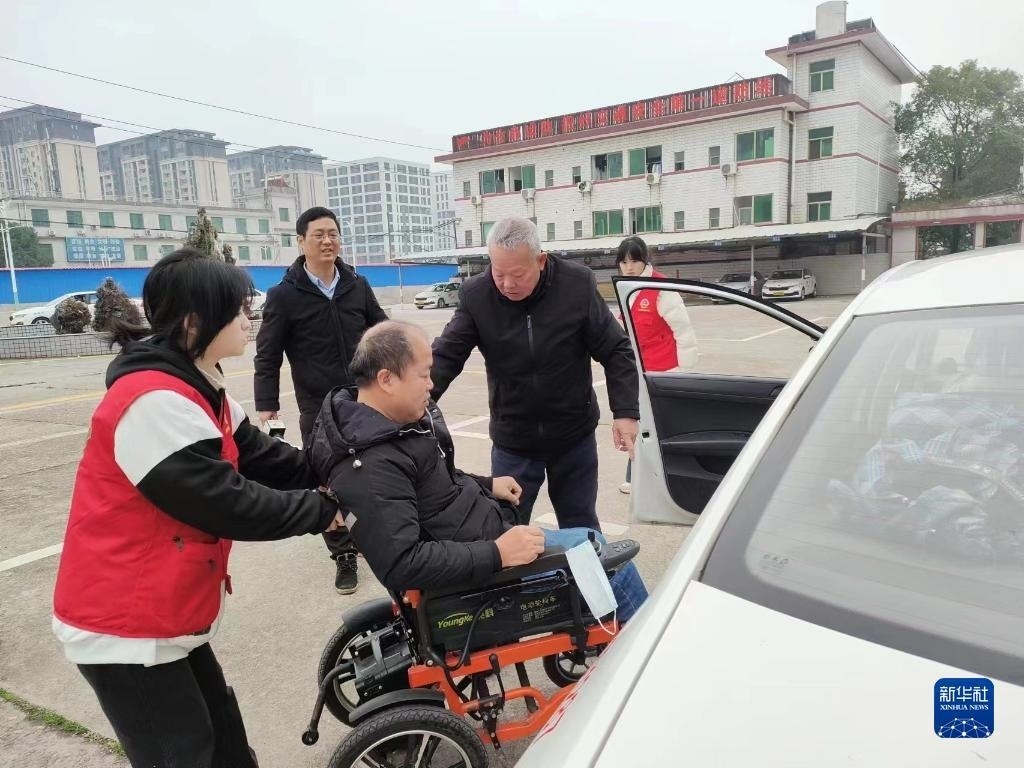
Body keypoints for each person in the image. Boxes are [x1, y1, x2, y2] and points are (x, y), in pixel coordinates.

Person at [52, 248, 344, 768]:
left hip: (167, 612)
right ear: (194, 322)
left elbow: (269, 459)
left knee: (226, 743)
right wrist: (322, 512)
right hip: (125, 625)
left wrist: (345, 473)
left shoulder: (201, 385)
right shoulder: (151, 401)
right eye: (237, 311)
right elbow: (224, 503)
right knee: (183, 754)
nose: (248, 320)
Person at [307, 321, 648, 619]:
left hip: (481, 538)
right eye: (424, 374)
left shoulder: (388, 425)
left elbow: (430, 483)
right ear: (386, 379)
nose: (431, 384)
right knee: (611, 565)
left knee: (593, 541)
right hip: (481, 577)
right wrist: (498, 553)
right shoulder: (370, 462)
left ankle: (605, 627)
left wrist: (486, 484)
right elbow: (403, 562)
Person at [430, 216, 640, 531]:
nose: (507, 284)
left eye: (518, 274)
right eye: (498, 273)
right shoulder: (477, 295)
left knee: (580, 525)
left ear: (540, 260)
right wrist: (411, 401)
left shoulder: (576, 285)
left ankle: (586, 564)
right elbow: (447, 355)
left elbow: (616, 349)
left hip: (573, 436)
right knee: (506, 527)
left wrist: (625, 412)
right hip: (514, 439)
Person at [254, 206, 388, 594]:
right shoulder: (284, 295)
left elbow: (383, 331)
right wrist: (267, 403)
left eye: (333, 234)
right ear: (301, 242)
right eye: (319, 235)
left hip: (365, 398)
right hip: (318, 405)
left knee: (377, 470)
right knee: (329, 480)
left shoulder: (357, 285)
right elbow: (267, 354)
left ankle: (378, 539)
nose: (328, 241)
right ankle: (343, 554)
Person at [615, 235, 698, 494]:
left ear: (645, 260)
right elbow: (623, 329)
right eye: (624, 262)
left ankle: (663, 480)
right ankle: (637, 477)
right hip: (639, 371)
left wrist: (683, 374)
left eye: (634, 261)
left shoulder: (661, 288)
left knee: (660, 427)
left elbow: (684, 330)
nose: (629, 267)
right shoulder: (627, 289)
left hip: (665, 371)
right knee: (640, 424)